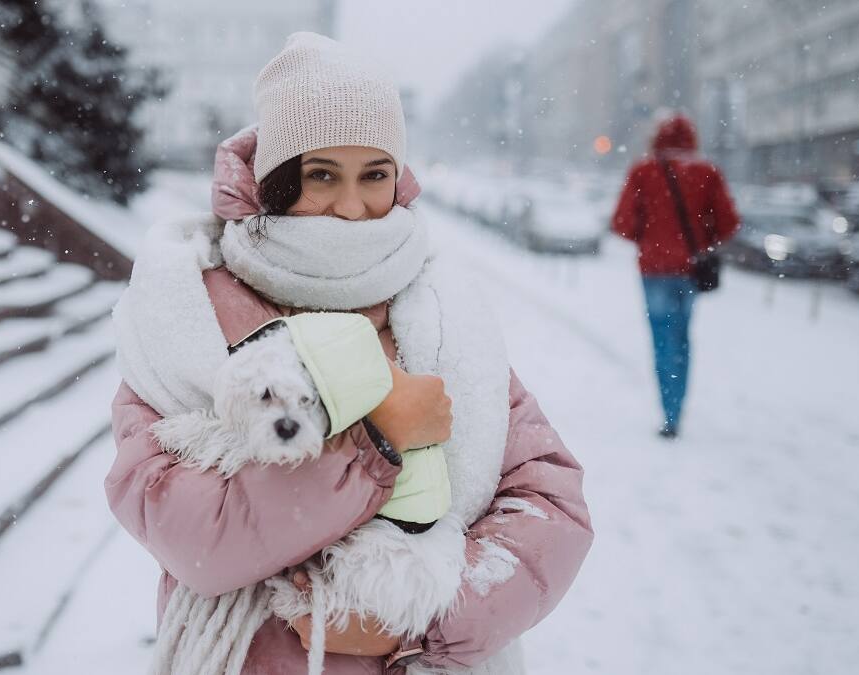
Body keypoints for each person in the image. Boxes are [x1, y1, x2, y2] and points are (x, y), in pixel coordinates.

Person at [107, 32, 592, 674]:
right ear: (277, 180)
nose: (351, 207)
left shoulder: (438, 308)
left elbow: (549, 503)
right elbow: (191, 535)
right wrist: (377, 442)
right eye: (322, 175)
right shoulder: (187, 311)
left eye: (374, 175)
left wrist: (415, 620)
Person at [610, 113, 740, 439]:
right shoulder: (707, 172)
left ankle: (668, 413)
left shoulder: (643, 171)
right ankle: (676, 410)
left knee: (661, 339)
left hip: (654, 271)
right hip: (689, 271)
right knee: (681, 339)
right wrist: (702, 240)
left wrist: (649, 237)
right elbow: (729, 223)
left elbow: (622, 222)